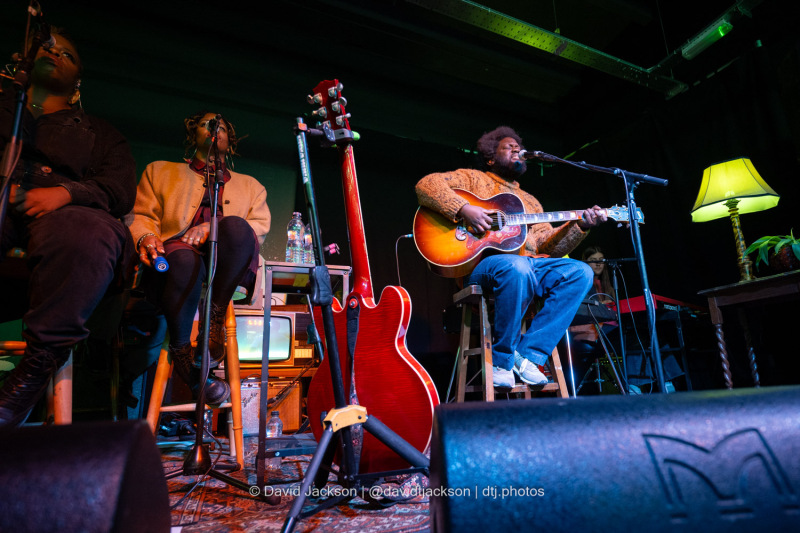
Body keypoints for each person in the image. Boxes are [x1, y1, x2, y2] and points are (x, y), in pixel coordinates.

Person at [0, 29, 137, 427]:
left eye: (67, 53)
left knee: (88, 234)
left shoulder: (103, 134)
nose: (54, 52)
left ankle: (31, 373)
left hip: (68, 216)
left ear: (78, 83)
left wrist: (65, 193)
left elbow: (118, 190)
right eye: (46, 46)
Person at [416, 126, 607, 388]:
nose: (518, 150)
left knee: (580, 272)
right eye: (510, 147)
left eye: (520, 148)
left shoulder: (531, 201)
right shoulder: (472, 178)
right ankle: (501, 360)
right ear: (491, 157)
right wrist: (464, 209)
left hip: (528, 266)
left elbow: (547, 246)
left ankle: (528, 355)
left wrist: (581, 226)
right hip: (482, 267)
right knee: (517, 267)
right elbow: (427, 185)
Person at [129, 111, 270, 405]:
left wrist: (211, 226)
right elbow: (142, 216)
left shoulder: (252, 186)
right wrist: (145, 237)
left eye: (221, 127)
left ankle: (213, 321)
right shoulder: (159, 171)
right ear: (194, 133)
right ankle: (182, 352)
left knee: (236, 226)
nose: (214, 129)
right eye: (207, 124)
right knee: (183, 260)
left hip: (226, 265)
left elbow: (258, 229)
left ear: (230, 142)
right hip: (176, 257)